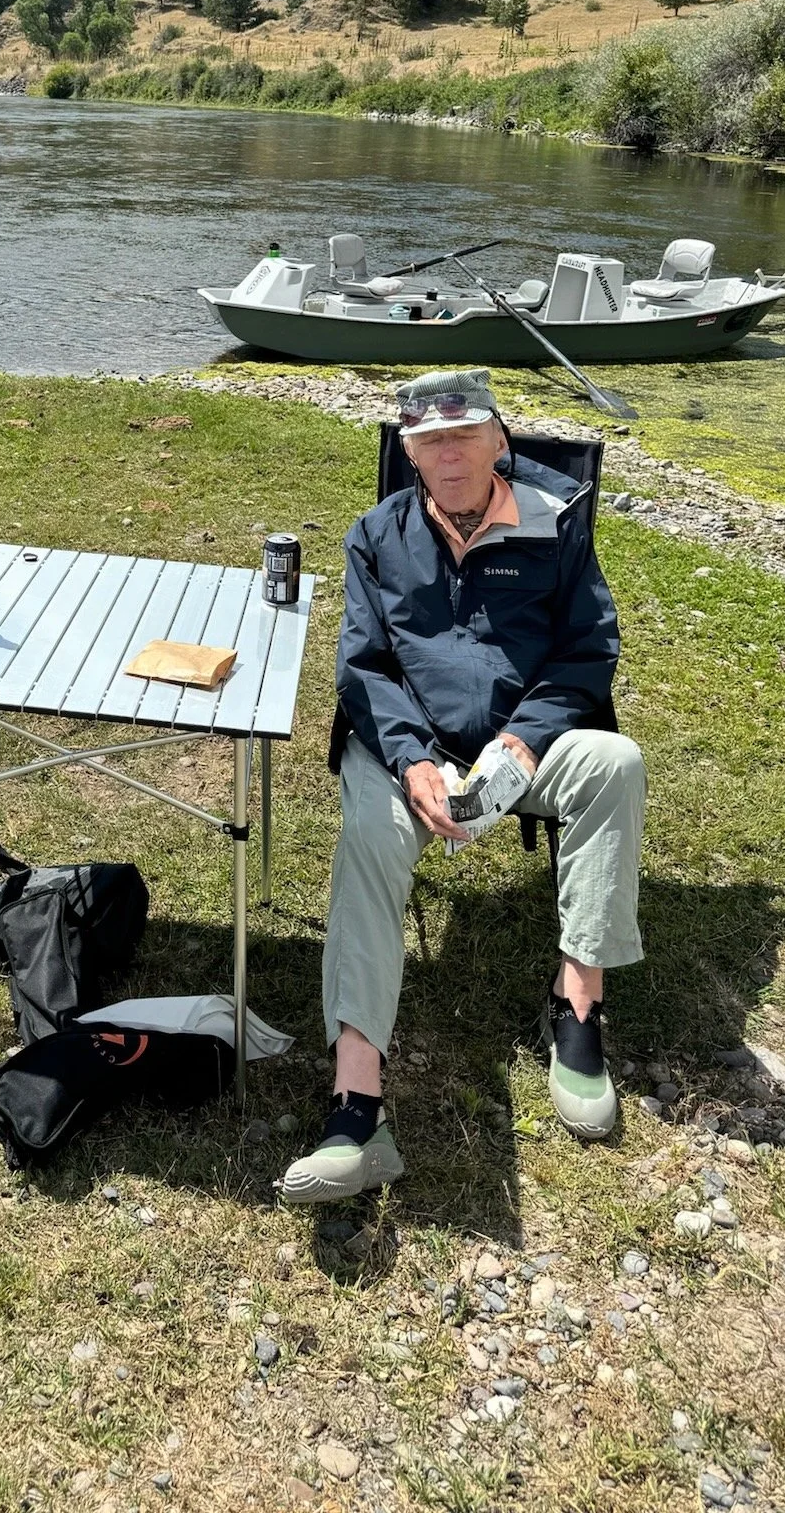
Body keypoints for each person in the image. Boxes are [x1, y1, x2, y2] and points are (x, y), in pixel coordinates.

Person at [279, 368, 645, 1204]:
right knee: (371, 831)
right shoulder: (377, 535)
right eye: (430, 442)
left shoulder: (557, 525)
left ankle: (578, 1008)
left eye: (464, 436)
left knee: (616, 767)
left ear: (498, 442)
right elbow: (363, 668)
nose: (448, 454)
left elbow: (589, 649)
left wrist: (523, 738)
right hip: (413, 750)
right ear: (410, 453)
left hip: (524, 748)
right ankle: (356, 1102)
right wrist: (409, 757)